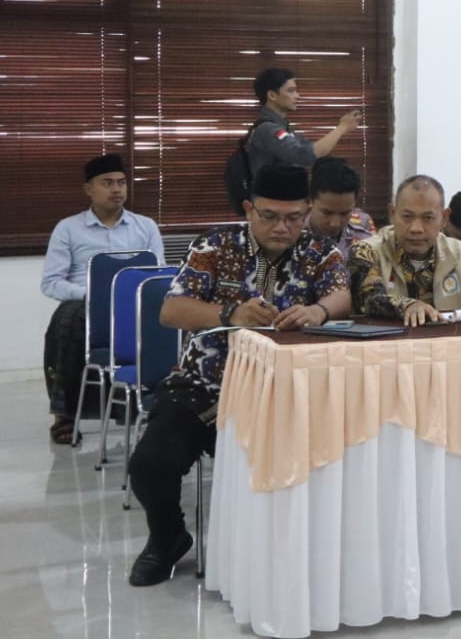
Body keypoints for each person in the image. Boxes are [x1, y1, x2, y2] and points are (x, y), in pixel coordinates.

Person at [126, 165, 350, 586]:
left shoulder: (321, 252)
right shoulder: (214, 245)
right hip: (206, 386)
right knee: (150, 464)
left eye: (293, 218)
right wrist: (230, 314)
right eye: (269, 216)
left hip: (286, 395)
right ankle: (168, 537)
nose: (282, 227)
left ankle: (294, 548)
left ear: (306, 211)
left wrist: (317, 311)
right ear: (249, 209)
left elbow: (341, 294)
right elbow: (171, 310)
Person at [41, 153, 166, 445]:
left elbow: (158, 276)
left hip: (134, 306)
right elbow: (51, 283)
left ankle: (148, 404)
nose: (116, 189)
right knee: (68, 316)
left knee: (168, 316)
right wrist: (93, 296)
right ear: (89, 189)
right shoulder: (68, 229)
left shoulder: (145, 227)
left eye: (121, 182)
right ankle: (64, 414)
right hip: (86, 308)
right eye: (107, 183)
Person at [351, 176, 461, 326]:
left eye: (428, 218)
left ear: (444, 218)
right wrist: (407, 306)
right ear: (392, 213)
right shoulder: (367, 251)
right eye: (407, 217)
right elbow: (369, 298)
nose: (416, 228)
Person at [244, 67, 362, 180]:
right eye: (291, 91)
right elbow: (305, 155)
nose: (297, 96)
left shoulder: (283, 127)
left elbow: (310, 150)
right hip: (273, 194)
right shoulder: (268, 129)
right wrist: (342, 127)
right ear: (272, 95)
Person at [305, 157, 375, 260]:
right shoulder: (290, 239)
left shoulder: (366, 244)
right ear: (311, 201)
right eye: (327, 213)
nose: (335, 224)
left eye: (344, 213)